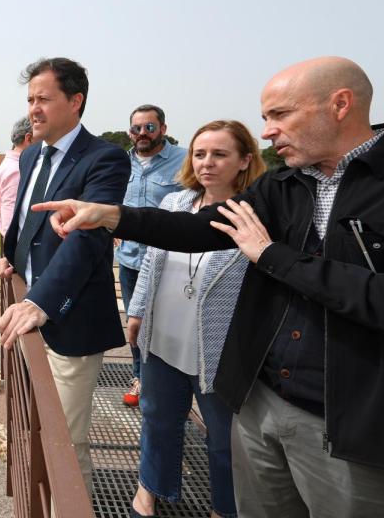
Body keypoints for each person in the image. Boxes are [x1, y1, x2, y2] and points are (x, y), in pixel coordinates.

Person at [32, 56, 384, 517]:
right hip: (262, 409)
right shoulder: (285, 183)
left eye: (279, 115)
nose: (267, 132)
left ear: (340, 105)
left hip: (358, 432)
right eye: (264, 118)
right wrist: (110, 215)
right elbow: (199, 229)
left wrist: (271, 254)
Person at [0, 57, 129, 494]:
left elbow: (88, 242)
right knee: (36, 428)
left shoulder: (105, 159)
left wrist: (40, 302)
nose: (34, 108)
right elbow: (23, 219)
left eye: (44, 99)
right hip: (31, 308)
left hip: (67, 319)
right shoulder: (32, 152)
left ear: (76, 101)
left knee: (66, 446)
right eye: (30, 99)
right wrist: (8, 258)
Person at [127, 120, 265, 518]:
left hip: (218, 345)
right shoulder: (175, 203)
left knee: (225, 437)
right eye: (199, 153)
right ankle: (149, 491)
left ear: (244, 160)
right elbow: (152, 260)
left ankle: (224, 508)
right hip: (163, 333)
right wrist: (137, 310)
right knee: (157, 419)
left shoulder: (253, 215)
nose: (207, 163)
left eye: (220, 154)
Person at [115, 104, 186, 406]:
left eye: (149, 127)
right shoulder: (121, 162)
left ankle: (171, 384)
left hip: (171, 261)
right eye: (136, 128)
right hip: (131, 261)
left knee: (171, 324)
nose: (142, 134)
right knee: (136, 324)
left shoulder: (184, 160)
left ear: (163, 129)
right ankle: (140, 378)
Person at [0, 117, 34, 237]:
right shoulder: (16, 170)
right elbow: (10, 215)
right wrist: (13, 249)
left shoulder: (11, 165)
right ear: (29, 138)